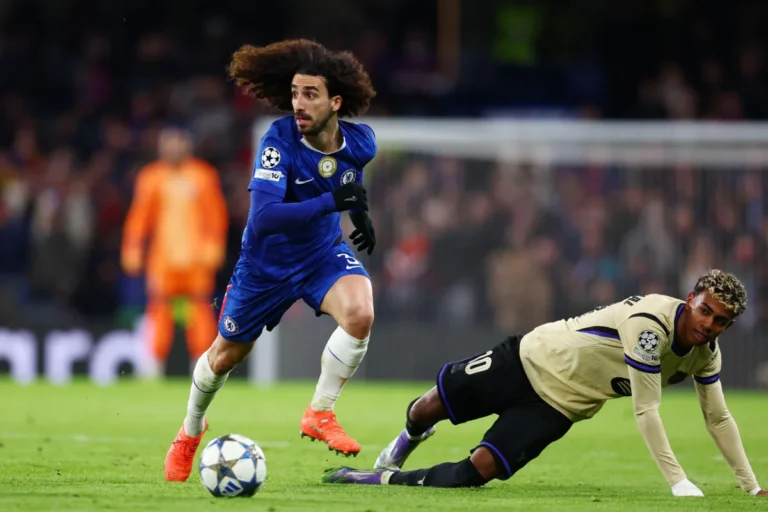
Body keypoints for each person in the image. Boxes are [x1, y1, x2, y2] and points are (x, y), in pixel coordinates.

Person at [322, 269, 768, 497]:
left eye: (721, 321)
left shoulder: (706, 354)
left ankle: (376, 481)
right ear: (691, 300)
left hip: (557, 408)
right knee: (426, 408)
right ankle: (403, 444)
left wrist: (750, 485)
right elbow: (646, 410)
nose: (709, 325)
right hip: (528, 358)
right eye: (706, 311)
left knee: (480, 470)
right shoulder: (651, 323)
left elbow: (719, 417)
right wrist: (678, 481)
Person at [163, 39, 378, 482]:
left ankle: (320, 412)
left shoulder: (361, 142)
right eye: (295, 93)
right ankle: (189, 432)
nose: (298, 103)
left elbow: (348, 179)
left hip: (321, 255)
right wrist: (332, 201)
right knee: (223, 358)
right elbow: (262, 220)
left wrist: (360, 216)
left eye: (310, 94)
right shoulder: (278, 140)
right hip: (266, 269)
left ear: (336, 102)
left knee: (360, 313)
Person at [122, 126, 228, 374]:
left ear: (186, 145)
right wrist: (132, 247)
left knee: (200, 310)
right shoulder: (151, 177)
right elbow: (139, 218)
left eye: (177, 143)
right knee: (158, 310)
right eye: (167, 143)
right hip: (163, 260)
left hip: (196, 260)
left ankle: (203, 367)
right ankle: (152, 367)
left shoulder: (203, 175)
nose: (172, 148)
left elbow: (215, 216)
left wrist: (215, 246)